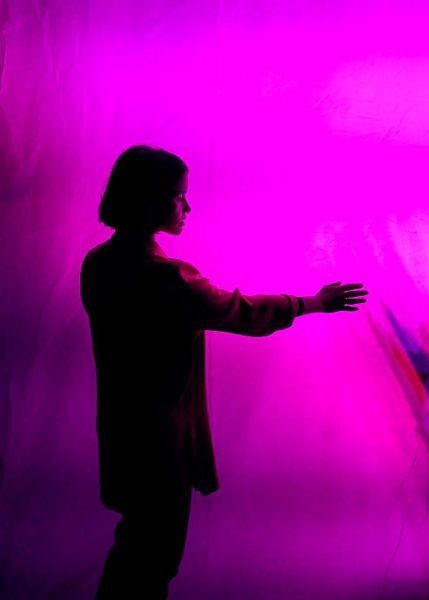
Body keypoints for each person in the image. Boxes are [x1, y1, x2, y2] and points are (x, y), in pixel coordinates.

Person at [80, 145, 367, 599]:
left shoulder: (98, 262)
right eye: (179, 196)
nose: (188, 207)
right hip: (160, 441)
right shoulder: (166, 277)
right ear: (150, 201)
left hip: (122, 432)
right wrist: (312, 302)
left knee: (134, 549)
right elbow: (240, 311)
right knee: (154, 558)